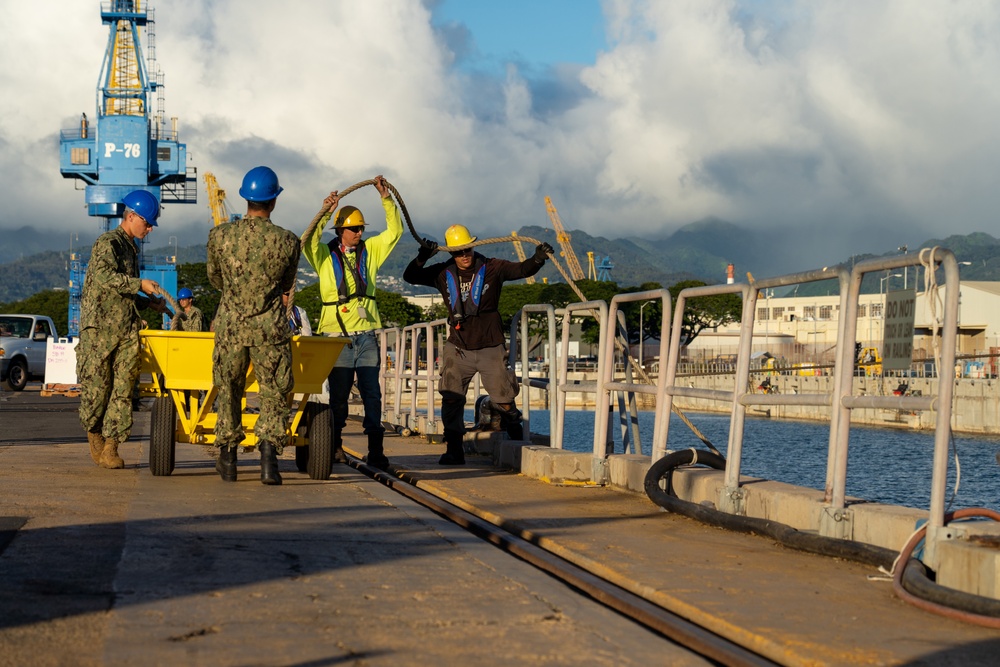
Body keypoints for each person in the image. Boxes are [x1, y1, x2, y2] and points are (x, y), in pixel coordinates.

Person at [403, 225, 553, 465]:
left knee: (504, 398)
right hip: (458, 347)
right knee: (451, 398)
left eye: (468, 250)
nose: (464, 256)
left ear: (474, 246)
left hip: (490, 345)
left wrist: (538, 258)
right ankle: (454, 449)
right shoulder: (443, 273)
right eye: (458, 252)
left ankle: (514, 424)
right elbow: (410, 277)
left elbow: (522, 270)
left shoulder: (493, 267)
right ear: (451, 253)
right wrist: (422, 257)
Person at [207, 165, 300, 485]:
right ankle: (269, 461)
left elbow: (214, 278)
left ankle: (229, 459)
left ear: (244, 198)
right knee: (273, 391)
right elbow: (286, 284)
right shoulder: (287, 241)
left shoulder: (219, 236)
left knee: (229, 389)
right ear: (273, 201)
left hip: (231, 326)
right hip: (270, 329)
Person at [302, 175, 402, 470]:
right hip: (336, 338)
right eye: (354, 229)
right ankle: (333, 446)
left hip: (366, 335)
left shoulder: (370, 252)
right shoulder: (322, 256)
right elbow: (307, 240)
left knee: (373, 394)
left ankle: (376, 450)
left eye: (361, 228)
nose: (359, 233)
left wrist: (386, 199)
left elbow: (394, 232)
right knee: (340, 398)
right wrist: (325, 213)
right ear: (341, 231)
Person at [77, 189, 169, 469]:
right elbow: (104, 278)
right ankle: (94, 432)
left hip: (126, 329)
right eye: (147, 222)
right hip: (100, 332)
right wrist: (139, 284)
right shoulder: (108, 243)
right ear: (131, 217)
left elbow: (122, 292)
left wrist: (147, 303)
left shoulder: (131, 248)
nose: (150, 228)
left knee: (123, 389)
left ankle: (111, 446)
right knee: (97, 390)